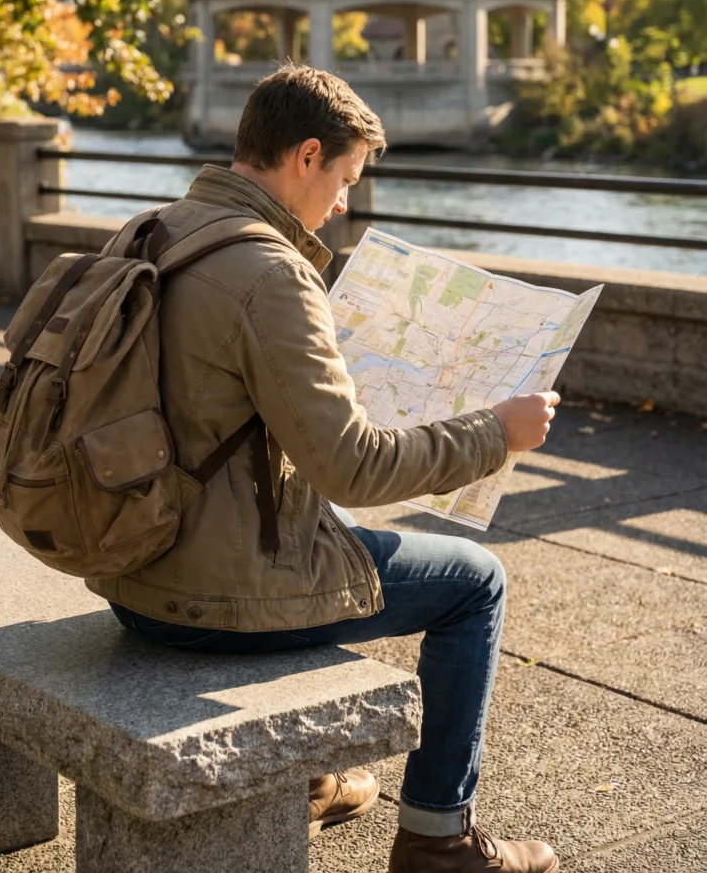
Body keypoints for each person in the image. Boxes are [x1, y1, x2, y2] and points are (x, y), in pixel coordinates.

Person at [94, 64, 560, 873]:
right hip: (204, 599)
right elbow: (355, 468)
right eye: (345, 179)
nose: (344, 202)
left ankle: (310, 778)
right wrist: (496, 432)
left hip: (129, 568)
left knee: (326, 525)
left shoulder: (152, 230)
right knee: (476, 581)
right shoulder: (272, 273)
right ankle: (439, 837)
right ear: (306, 156)